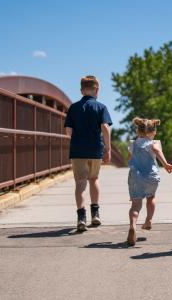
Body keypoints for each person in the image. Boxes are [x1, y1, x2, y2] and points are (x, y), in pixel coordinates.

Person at [64, 75, 112, 232]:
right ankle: (95, 213)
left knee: (80, 183)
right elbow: (105, 128)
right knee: (94, 179)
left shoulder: (73, 107)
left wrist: (78, 139)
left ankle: (81, 218)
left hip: (78, 149)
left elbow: (68, 130)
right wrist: (108, 148)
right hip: (95, 149)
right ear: (96, 90)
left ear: (81, 90)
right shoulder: (101, 107)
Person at [126, 117, 172, 246]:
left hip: (136, 176)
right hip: (151, 176)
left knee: (135, 205)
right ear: (152, 131)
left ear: (138, 131)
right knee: (151, 197)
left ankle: (132, 225)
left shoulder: (133, 143)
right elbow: (157, 151)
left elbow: (129, 159)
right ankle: (148, 220)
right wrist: (165, 164)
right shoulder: (154, 142)